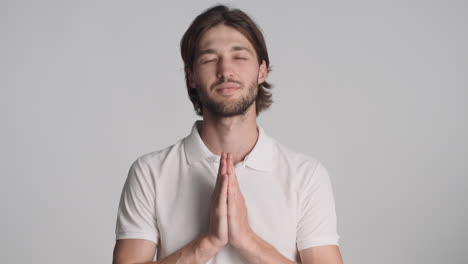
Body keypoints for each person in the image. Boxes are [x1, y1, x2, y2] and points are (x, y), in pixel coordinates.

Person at [112, 4, 343, 264]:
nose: (225, 70)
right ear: (191, 77)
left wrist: (247, 241)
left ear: (262, 71)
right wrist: (207, 243)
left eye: (240, 57)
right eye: (209, 59)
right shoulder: (150, 172)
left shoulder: (306, 175)